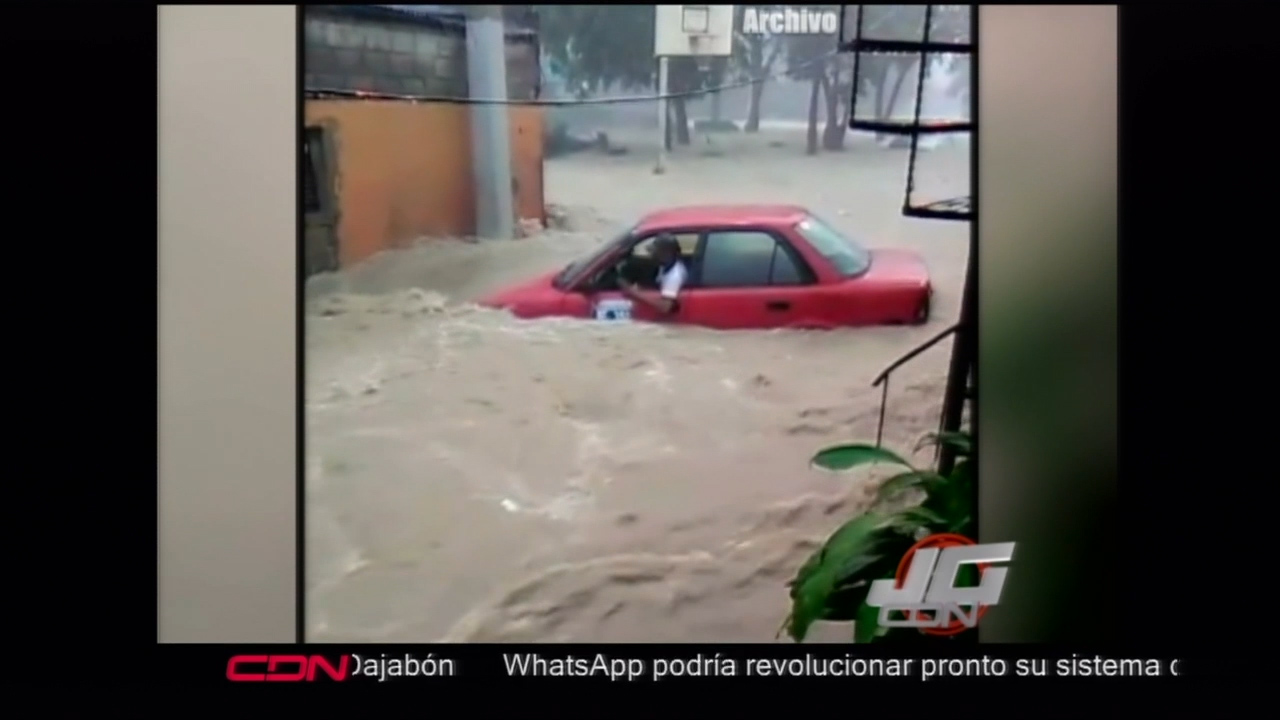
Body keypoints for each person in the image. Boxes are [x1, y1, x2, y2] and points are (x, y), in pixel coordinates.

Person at [620, 234, 687, 316]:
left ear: (665, 252)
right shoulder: (665, 264)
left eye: (654, 251)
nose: (651, 253)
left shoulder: (674, 276)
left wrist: (633, 292)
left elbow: (666, 306)